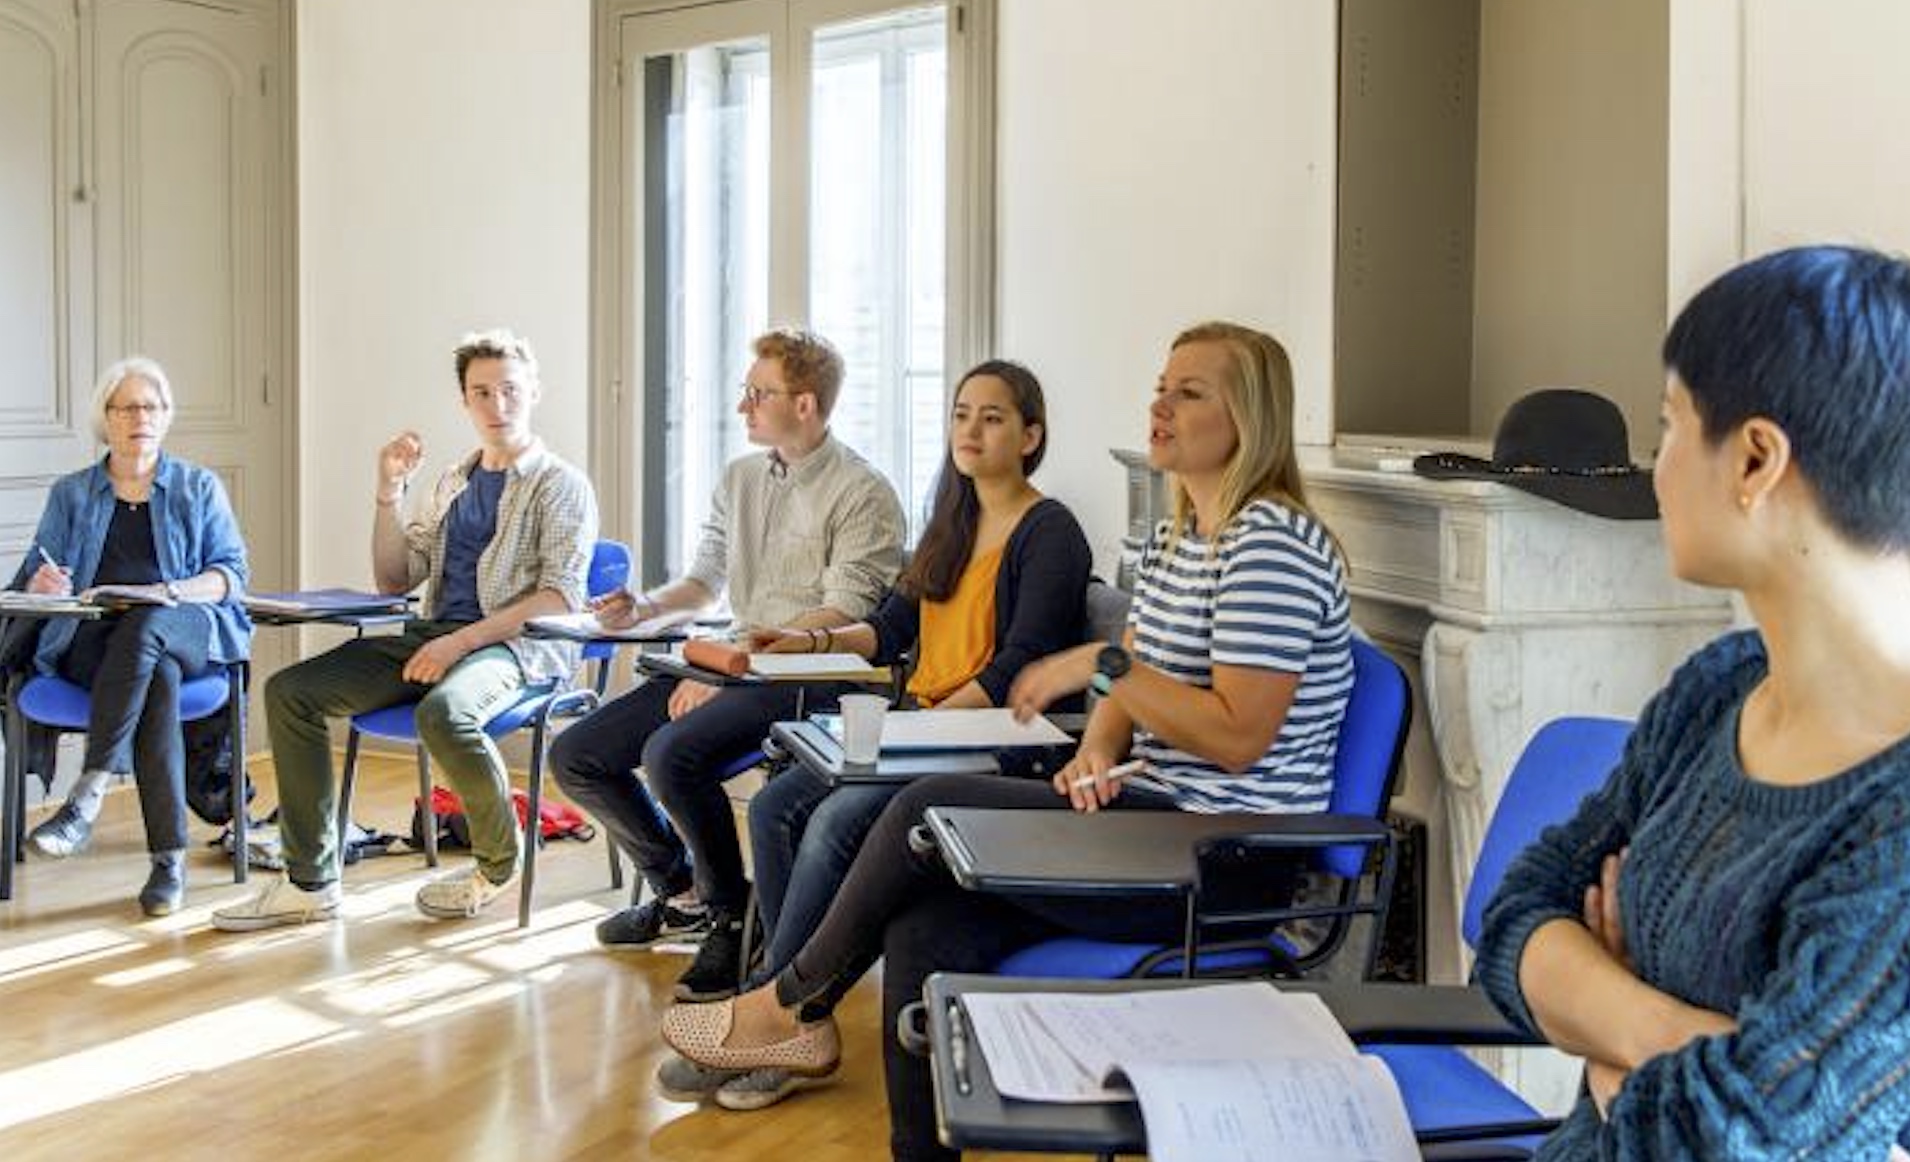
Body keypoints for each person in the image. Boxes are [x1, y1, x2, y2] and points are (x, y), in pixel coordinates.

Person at [661, 320, 1354, 1159]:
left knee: (926, 808)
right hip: (1153, 820)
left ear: (1250, 419)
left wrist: (1097, 671)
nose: (1159, 404)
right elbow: (1128, 676)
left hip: (1227, 858)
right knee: (924, 930)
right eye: (1160, 386)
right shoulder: (1180, 536)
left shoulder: (1269, 542)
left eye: (1190, 392)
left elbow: (1239, 737)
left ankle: (787, 1006)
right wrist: (1098, 748)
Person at [1472, 245, 1910, 1157]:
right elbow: (1519, 916)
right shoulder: (1717, 690)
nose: (1658, 464)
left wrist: (1606, 1032)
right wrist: (1664, 1037)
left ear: (1755, 461)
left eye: (1669, 424)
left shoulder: (1894, 813)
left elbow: (1734, 1137)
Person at [660, 359, 1093, 1110]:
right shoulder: (950, 521)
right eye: (961, 413)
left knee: (830, 821)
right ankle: (779, 1010)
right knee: (772, 807)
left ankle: (785, 1016)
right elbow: (891, 629)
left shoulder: (1049, 531)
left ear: (1031, 435)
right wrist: (803, 645)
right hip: (922, 729)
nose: (970, 430)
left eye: (992, 417)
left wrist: (921, 728)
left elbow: (1023, 662)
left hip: (988, 743)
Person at [549, 327, 905, 999]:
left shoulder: (864, 493)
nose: (742, 406)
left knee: (671, 755)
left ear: (804, 404)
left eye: (756, 393)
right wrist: (643, 609)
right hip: (730, 661)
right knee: (577, 755)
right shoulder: (741, 477)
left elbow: (844, 614)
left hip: (810, 678)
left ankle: (728, 915)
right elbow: (705, 580)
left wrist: (734, 667)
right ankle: (685, 892)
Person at [212, 329, 597, 930]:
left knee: (443, 713)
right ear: (464, 402)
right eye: (482, 393)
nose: (498, 406)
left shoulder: (561, 484)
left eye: (511, 390)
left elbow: (560, 596)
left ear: (535, 392)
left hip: (520, 650)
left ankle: (500, 863)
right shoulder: (453, 481)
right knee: (291, 692)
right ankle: (310, 882)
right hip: (435, 635)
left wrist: (460, 643)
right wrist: (389, 492)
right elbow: (396, 579)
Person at [6, 358, 251, 916]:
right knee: (155, 676)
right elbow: (29, 578)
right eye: (127, 407)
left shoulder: (197, 487)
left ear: (165, 417)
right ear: (106, 419)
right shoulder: (72, 494)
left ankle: (85, 799)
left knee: (150, 622)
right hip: (94, 639)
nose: (140, 416)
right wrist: (42, 582)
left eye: (151, 406)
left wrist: (173, 590)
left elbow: (231, 575)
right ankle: (169, 862)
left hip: (188, 626)